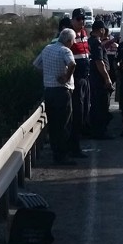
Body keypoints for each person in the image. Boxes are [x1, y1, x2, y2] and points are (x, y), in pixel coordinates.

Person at [33, 28, 77, 165]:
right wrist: (66, 77)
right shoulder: (65, 51)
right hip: (62, 92)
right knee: (63, 124)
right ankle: (62, 156)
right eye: (73, 41)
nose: (73, 43)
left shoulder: (47, 48)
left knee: (53, 125)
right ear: (68, 41)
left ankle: (55, 153)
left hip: (49, 91)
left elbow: (36, 64)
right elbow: (72, 64)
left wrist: (47, 75)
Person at [70, 7, 92, 157]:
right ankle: (74, 147)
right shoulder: (69, 34)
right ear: (72, 20)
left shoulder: (84, 33)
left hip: (85, 78)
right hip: (76, 80)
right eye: (78, 19)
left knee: (84, 113)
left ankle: (77, 143)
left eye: (83, 19)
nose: (81, 21)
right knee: (76, 115)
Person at [88, 20, 114, 139]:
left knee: (96, 105)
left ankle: (95, 130)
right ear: (101, 30)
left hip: (93, 78)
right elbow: (99, 62)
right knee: (102, 106)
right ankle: (100, 132)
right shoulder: (97, 44)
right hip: (99, 80)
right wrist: (107, 79)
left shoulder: (90, 41)